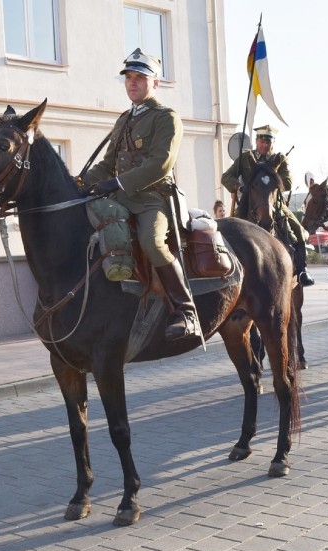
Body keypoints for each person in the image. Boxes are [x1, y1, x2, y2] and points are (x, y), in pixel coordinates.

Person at [84, 48, 198, 341]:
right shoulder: (123, 119)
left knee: (151, 241)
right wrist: (79, 183)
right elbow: (107, 164)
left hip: (152, 199)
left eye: (140, 78)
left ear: (155, 83)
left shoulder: (166, 117)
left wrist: (118, 183)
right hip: (121, 197)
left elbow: (160, 164)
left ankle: (186, 312)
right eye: (128, 77)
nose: (132, 83)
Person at [220, 124, 315, 287]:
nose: (265, 145)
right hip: (249, 203)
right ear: (256, 141)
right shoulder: (245, 158)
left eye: (268, 142)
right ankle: (226, 270)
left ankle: (302, 270)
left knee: (298, 231)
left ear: (273, 143)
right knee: (229, 230)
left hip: (274, 203)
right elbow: (226, 177)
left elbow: (288, 182)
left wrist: (272, 180)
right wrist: (240, 186)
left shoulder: (279, 159)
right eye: (262, 141)